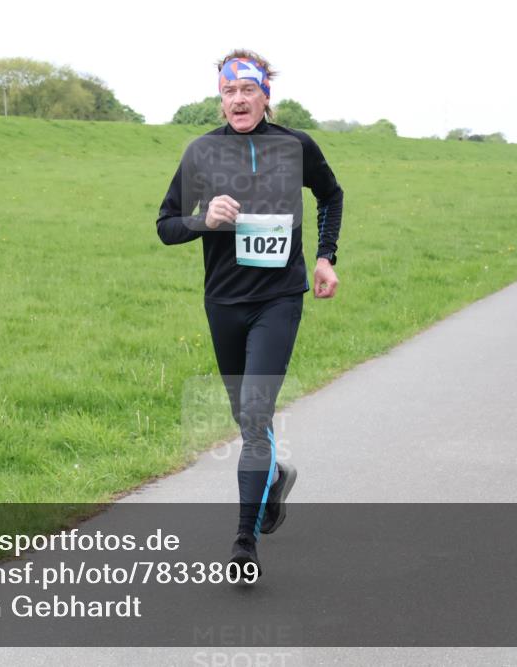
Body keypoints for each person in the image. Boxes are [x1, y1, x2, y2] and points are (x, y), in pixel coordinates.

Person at [155, 49, 344, 579]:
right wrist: (203, 220)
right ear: (221, 99)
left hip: (280, 297)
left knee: (257, 415)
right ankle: (274, 474)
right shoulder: (200, 153)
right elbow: (166, 224)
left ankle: (244, 543)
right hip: (224, 302)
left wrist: (326, 256)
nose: (237, 100)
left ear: (265, 94)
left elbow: (331, 196)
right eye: (228, 92)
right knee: (246, 420)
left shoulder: (295, 145)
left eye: (246, 90)